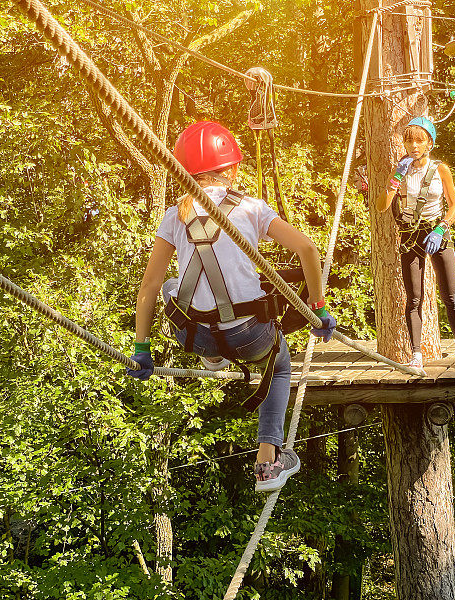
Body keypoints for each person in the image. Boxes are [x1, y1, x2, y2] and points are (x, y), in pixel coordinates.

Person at [125, 121, 336, 493]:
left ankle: (212, 357)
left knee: (172, 286)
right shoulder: (251, 208)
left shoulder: (175, 215)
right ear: (233, 169)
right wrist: (316, 309)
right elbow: (307, 250)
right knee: (280, 363)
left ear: (185, 173)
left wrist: (141, 349)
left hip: (195, 336)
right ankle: (267, 462)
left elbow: (149, 285)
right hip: (250, 335)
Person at [376, 117, 455, 374]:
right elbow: (382, 206)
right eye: (409, 140)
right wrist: (395, 178)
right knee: (414, 298)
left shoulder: (440, 169)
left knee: (451, 295)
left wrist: (442, 227)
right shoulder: (399, 170)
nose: (413, 145)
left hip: (437, 232)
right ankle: (416, 355)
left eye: (419, 140)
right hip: (411, 236)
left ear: (429, 143)